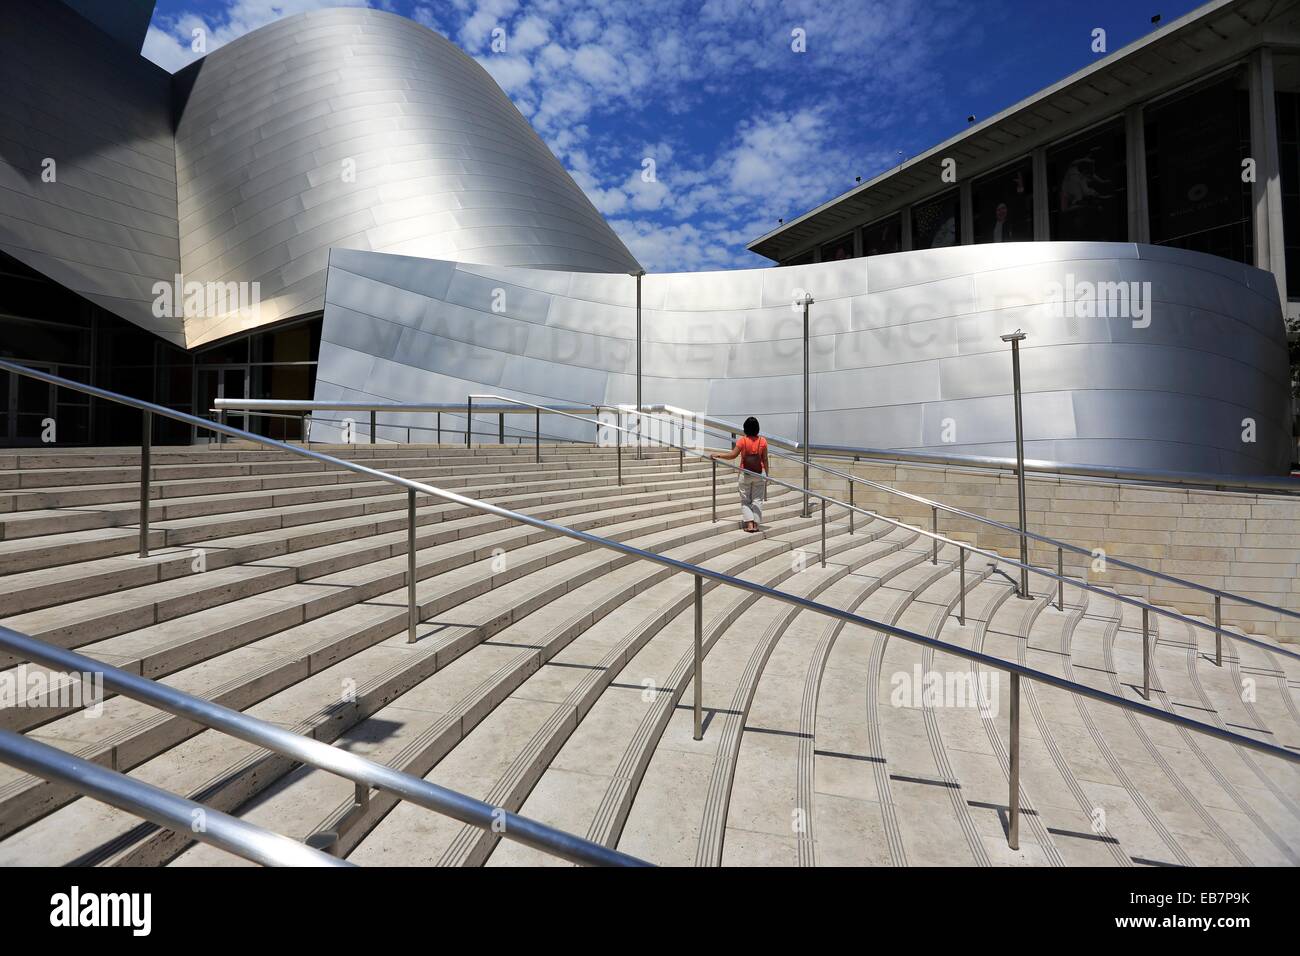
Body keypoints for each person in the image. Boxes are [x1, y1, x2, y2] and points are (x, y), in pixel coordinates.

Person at [711, 417, 768, 533]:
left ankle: (750, 524)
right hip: (759, 473)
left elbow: (733, 455)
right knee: (758, 499)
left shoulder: (742, 441)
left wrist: (718, 455)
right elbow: (765, 459)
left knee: (745, 500)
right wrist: (766, 474)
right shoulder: (763, 441)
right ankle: (756, 524)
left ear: (745, 428)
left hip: (745, 473)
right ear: (757, 428)